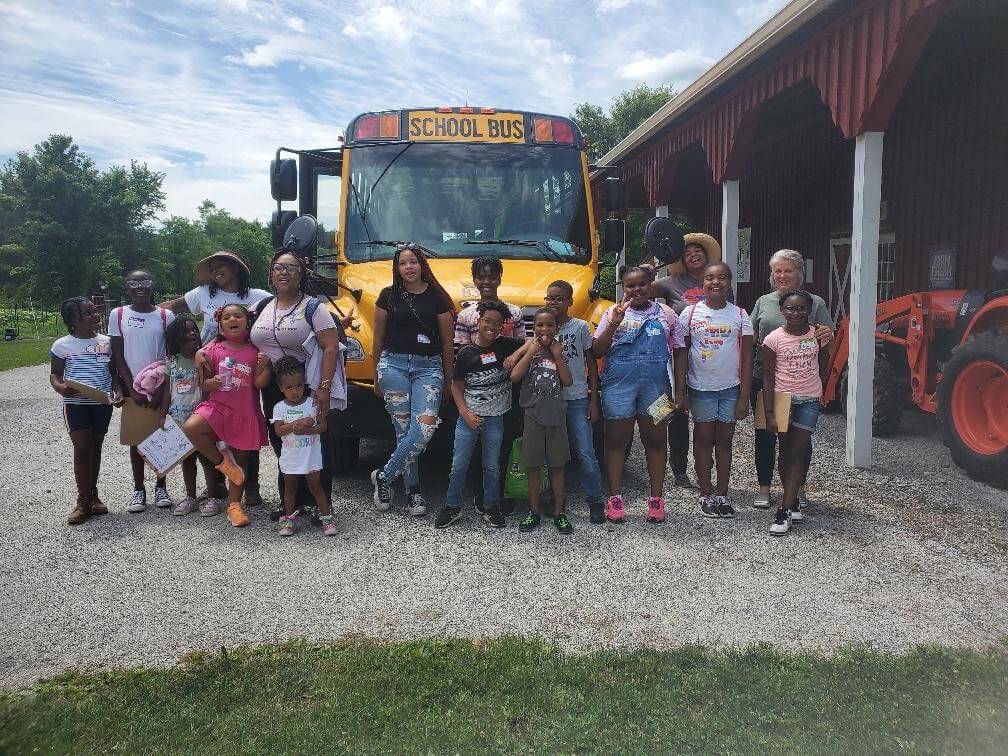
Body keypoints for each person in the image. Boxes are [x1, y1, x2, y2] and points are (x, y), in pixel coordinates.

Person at [249, 250, 346, 522]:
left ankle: (319, 504)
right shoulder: (263, 306)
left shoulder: (314, 307)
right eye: (278, 267)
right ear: (271, 273)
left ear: (301, 274)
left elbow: (330, 348)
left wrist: (324, 387)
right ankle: (289, 502)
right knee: (284, 441)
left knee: (314, 442)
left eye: (291, 268)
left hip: (306, 385)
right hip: (274, 388)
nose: (283, 272)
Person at [593, 266, 684, 525]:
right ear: (623, 287)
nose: (637, 290)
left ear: (651, 285)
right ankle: (615, 498)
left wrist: (679, 391)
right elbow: (598, 350)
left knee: (656, 440)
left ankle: (656, 499)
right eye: (630, 285)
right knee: (615, 440)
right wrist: (614, 323)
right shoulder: (612, 312)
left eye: (642, 284)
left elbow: (679, 352)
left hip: (658, 388)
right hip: (618, 386)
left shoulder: (667, 314)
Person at [371, 244, 455, 515]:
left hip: (429, 368)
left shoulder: (438, 298)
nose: (408, 267)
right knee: (403, 431)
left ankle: (384, 476)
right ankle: (413, 491)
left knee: (424, 429)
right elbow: (378, 339)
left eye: (413, 262)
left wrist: (448, 380)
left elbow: (447, 344)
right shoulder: (387, 296)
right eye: (403, 263)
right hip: (393, 364)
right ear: (397, 268)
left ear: (422, 265)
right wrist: (375, 376)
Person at [648, 232, 733, 490]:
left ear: (707, 256)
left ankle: (704, 470)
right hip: (677, 355)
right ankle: (678, 469)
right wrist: (650, 267)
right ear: (681, 259)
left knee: (708, 421)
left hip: (711, 358)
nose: (693, 254)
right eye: (687, 252)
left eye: (698, 250)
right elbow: (642, 287)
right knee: (675, 413)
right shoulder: (671, 282)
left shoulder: (720, 283)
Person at [750, 249, 833, 510]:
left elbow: (825, 339)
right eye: (778, 271)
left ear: (799, 273)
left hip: (800, 382)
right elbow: (752, 336)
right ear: (772, 275)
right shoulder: (764, 302)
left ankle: (797, 487)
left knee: (799, 439)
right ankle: (764, 487)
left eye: (788, 270)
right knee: (766, 435)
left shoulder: (815, 302)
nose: (783, 275)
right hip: (766, 379)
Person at [673, 263, 753, 519]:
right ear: (702, 284)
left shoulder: (740, 315)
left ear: (729, 282)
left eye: (721, 278)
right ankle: (705, 493)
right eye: (709, 278)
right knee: (704, 439)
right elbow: (681, 353)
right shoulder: (690, 313)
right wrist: (680, 391)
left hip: (730, 388)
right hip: (701, 388)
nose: (715, 282)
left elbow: (748, 358)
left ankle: (722, 492)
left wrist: (744, 397)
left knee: (725, 441)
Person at [437, 301, 524, 529]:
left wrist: (516, 355)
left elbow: (532, 342)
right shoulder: (467, 354)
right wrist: (464, 413)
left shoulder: (505, 345)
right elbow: (457, 386)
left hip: (495, 418)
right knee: (459, 464)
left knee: (492, 465)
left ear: (503, 326)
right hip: (468, 418)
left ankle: (491, 506)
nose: (492, 327)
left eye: (497, 323)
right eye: (487, 321)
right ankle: (451, 505)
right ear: (478, 321)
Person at [184, 304, 271, 528]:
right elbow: (203, 382)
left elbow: (259, 384)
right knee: (192, 428)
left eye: (238, 316)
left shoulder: (255, 351)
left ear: (247, 321)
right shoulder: (213, 349)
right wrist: (209, 382)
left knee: (241, 461)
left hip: (244, 413)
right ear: (220, 324)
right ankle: (223, 463)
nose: (233, 319)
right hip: (217, 407)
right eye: (227, 317)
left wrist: (265, 366)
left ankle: (234, 505)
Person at [453, 256, 526, 515]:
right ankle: (478, 492)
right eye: (481, 276)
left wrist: (512, 360)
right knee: (475, 443)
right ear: (474, 279)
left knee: (503, 441)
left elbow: (522, 345)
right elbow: (462, 353)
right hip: (475, 392)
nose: (486, 281)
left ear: (500, 278)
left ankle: (501, 493)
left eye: (492, 276)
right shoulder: (466, 315)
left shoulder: (514, 313)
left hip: (506, 390)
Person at [761, 290, 830, 536]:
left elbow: (824, 365)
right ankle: (792, 500)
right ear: (782, 311)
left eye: (801, 308)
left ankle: (784, 510)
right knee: (785, 451)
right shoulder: (773, 340)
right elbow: (768, 379)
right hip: (782, 400)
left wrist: (816, 387)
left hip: (809, 400)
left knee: (798, 452)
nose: (796, 312)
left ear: (809, 310)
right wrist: (769, 411)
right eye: (790, 308)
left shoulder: (818, 336)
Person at [50, 297, 123, 525]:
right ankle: (82, 501)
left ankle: (93, 495)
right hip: (76, 406)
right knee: (82, 450)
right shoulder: (62, 345)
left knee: (96, 448)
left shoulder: (106, 342)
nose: (96, 316)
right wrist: (62, 388)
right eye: (89, 313)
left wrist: (118, 391)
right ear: (74, 320)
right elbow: (55, 375)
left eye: (95, 311)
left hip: (101, 404)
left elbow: (113, 374)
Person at [109, 269, 175, 513]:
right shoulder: (118, 315)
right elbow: (117, 353)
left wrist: (160, 390)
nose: (139, 286)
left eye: (144, 281)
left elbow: (171, 354)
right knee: (136, 441)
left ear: (152, 285)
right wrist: (130, 388)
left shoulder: (166, 316)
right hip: (132, 389)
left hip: (159, 386)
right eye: (133, 282)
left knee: (160, 438)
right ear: (126, 287)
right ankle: (138, 489)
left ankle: (161, 485)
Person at [543, 280, 605, 523]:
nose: (554, 303)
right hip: (550, 401)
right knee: (553, 452)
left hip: (578, 398)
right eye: (550, 298)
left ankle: (595, 500)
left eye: (559, 298)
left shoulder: (579, 327)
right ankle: (554, 498)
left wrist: (593, 399)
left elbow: (591, 362)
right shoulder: (544, 328)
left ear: (570, 302)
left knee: (585, 450)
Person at [511, 308, 573, 533]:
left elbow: (567, 381)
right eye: (540, 325)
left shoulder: (558, 350)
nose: (544, 329)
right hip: (532, 417)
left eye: (549, 325)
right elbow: (515, 376)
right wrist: (529, 352)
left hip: (556, 417)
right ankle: (534, 511)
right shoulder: (530, 349)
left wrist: (557, 356)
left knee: (557, 467)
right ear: (533, 327)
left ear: (556, 328)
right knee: (533, 466)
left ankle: (559, 512)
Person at [158, 315, 221, 517]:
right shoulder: (172, 362)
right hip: (177, 418)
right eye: (186, 331)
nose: (193, 333)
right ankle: (190, 496)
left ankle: (212, 497)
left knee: (207, 459)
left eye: (194, 329)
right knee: (187, 459)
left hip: (202, 419)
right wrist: (162, 415)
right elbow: (167, 391)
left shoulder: (205, 358)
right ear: (175, 338)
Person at [269, 357, 337, 537]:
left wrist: (308, 430)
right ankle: (289, 519)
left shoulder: (311, 403)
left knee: (315, 485)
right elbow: (278, 431)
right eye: (289, 387)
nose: (294, 391)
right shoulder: (279, 408)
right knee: (290, 487)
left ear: (304, 384)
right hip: (290, 456)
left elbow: (323, 426)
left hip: (310, 455)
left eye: (298, 386)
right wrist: (295, 425)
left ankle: (327, 519)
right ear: (281, 388)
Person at [162, 250, 272, 344]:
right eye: (212, 269)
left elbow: (283, 307)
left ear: (235, 268)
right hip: (206, 360)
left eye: (220, 266)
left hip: (245, 362)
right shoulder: (204, 293)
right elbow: (172, 305)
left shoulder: (259, 297)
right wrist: (147, 311)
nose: (215, 271)